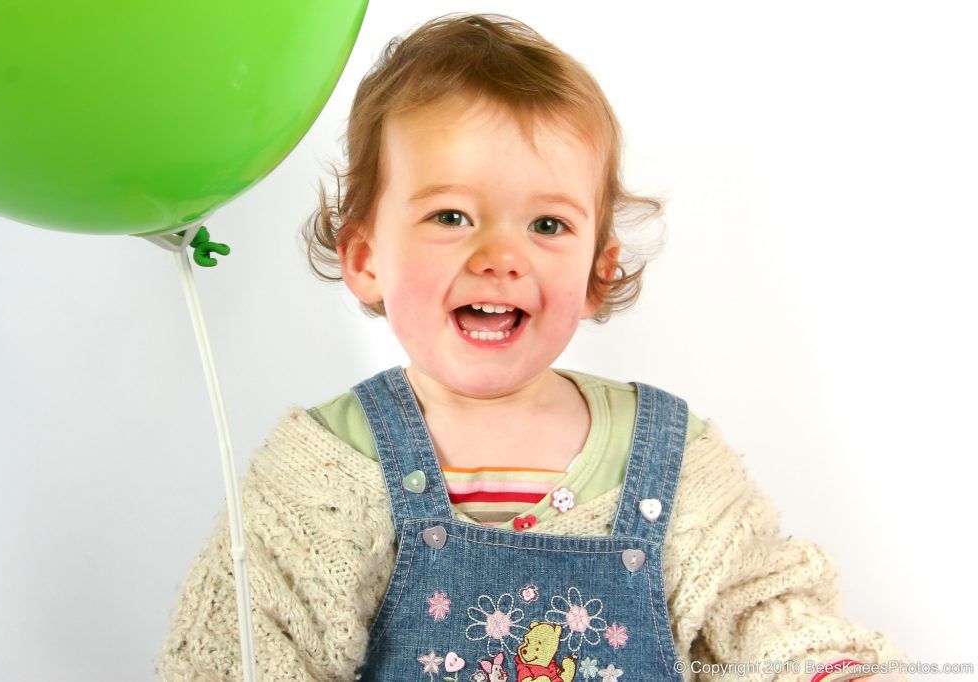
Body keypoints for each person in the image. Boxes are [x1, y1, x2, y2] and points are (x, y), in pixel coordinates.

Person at [159, 13, 906, 681]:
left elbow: (766, 617)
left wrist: (825, 669)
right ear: (365, 257)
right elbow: (246, 646)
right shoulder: (326, 470)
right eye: (451, 215)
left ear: (595, 272)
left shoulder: (673, 464)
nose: (498, 255)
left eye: (546, 226)